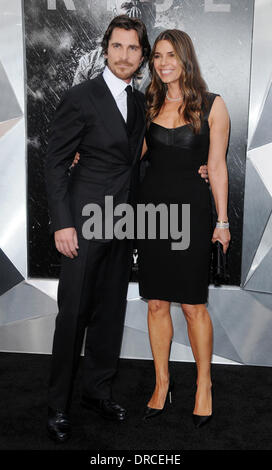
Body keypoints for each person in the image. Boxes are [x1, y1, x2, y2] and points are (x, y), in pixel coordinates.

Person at [45, 15, 209, 442]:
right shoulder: (81, 97)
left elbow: (148, 157)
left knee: (110, 315)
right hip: (82, 224)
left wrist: (201, 169)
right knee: (73, 316)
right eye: (117, 47)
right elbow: (55, 162)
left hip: (124, 224)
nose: (125, 55)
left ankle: (97, 393)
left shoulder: (142, 104)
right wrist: (63, 223)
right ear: (105, 49)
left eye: (134, 49)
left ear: (141, 56)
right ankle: (57, 406)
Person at [136, 29, 230, 427]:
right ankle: (162, 384)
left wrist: (222, 222)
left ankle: (204, 385)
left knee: (193, 306)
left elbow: (219, 166)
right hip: (152, 214)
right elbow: (128, 155)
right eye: (157, 56)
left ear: (185, 58)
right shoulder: (146, 105)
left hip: (192, 215)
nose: (162, 62)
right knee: (156, 302)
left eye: (170, 54)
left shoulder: (213, 105)